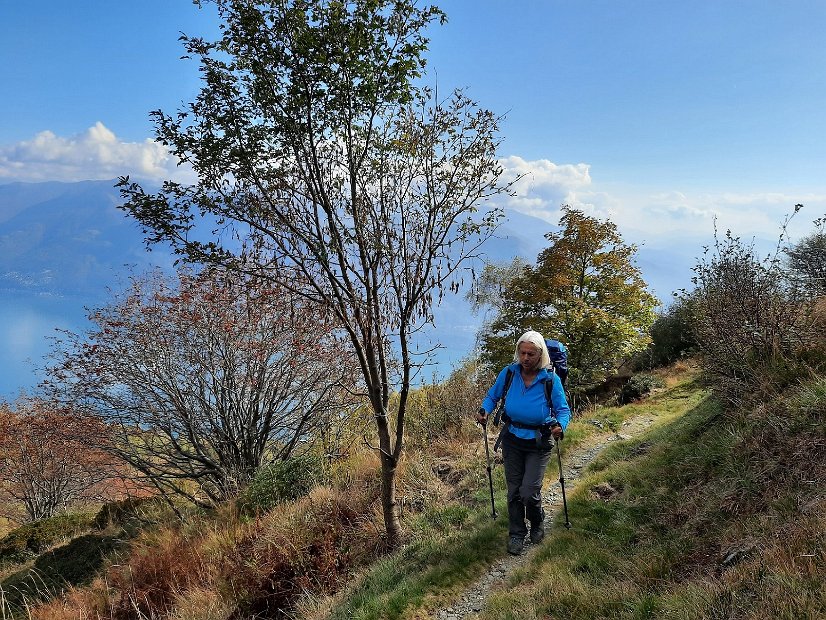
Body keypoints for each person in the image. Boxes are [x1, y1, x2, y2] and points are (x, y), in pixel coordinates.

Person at [476, 330, 571, 555]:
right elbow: (492, 396)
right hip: (512, 439)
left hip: (539, 442)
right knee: (514, 491)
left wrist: (560, 425)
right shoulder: (509, 373)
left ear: (541, 355)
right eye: (522, 353)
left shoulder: (550, 379)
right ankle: (517, 534)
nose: (525, 358)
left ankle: (537, 521)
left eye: (531, 354)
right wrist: (484, 410)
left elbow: (563, 410)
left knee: (529, 491)